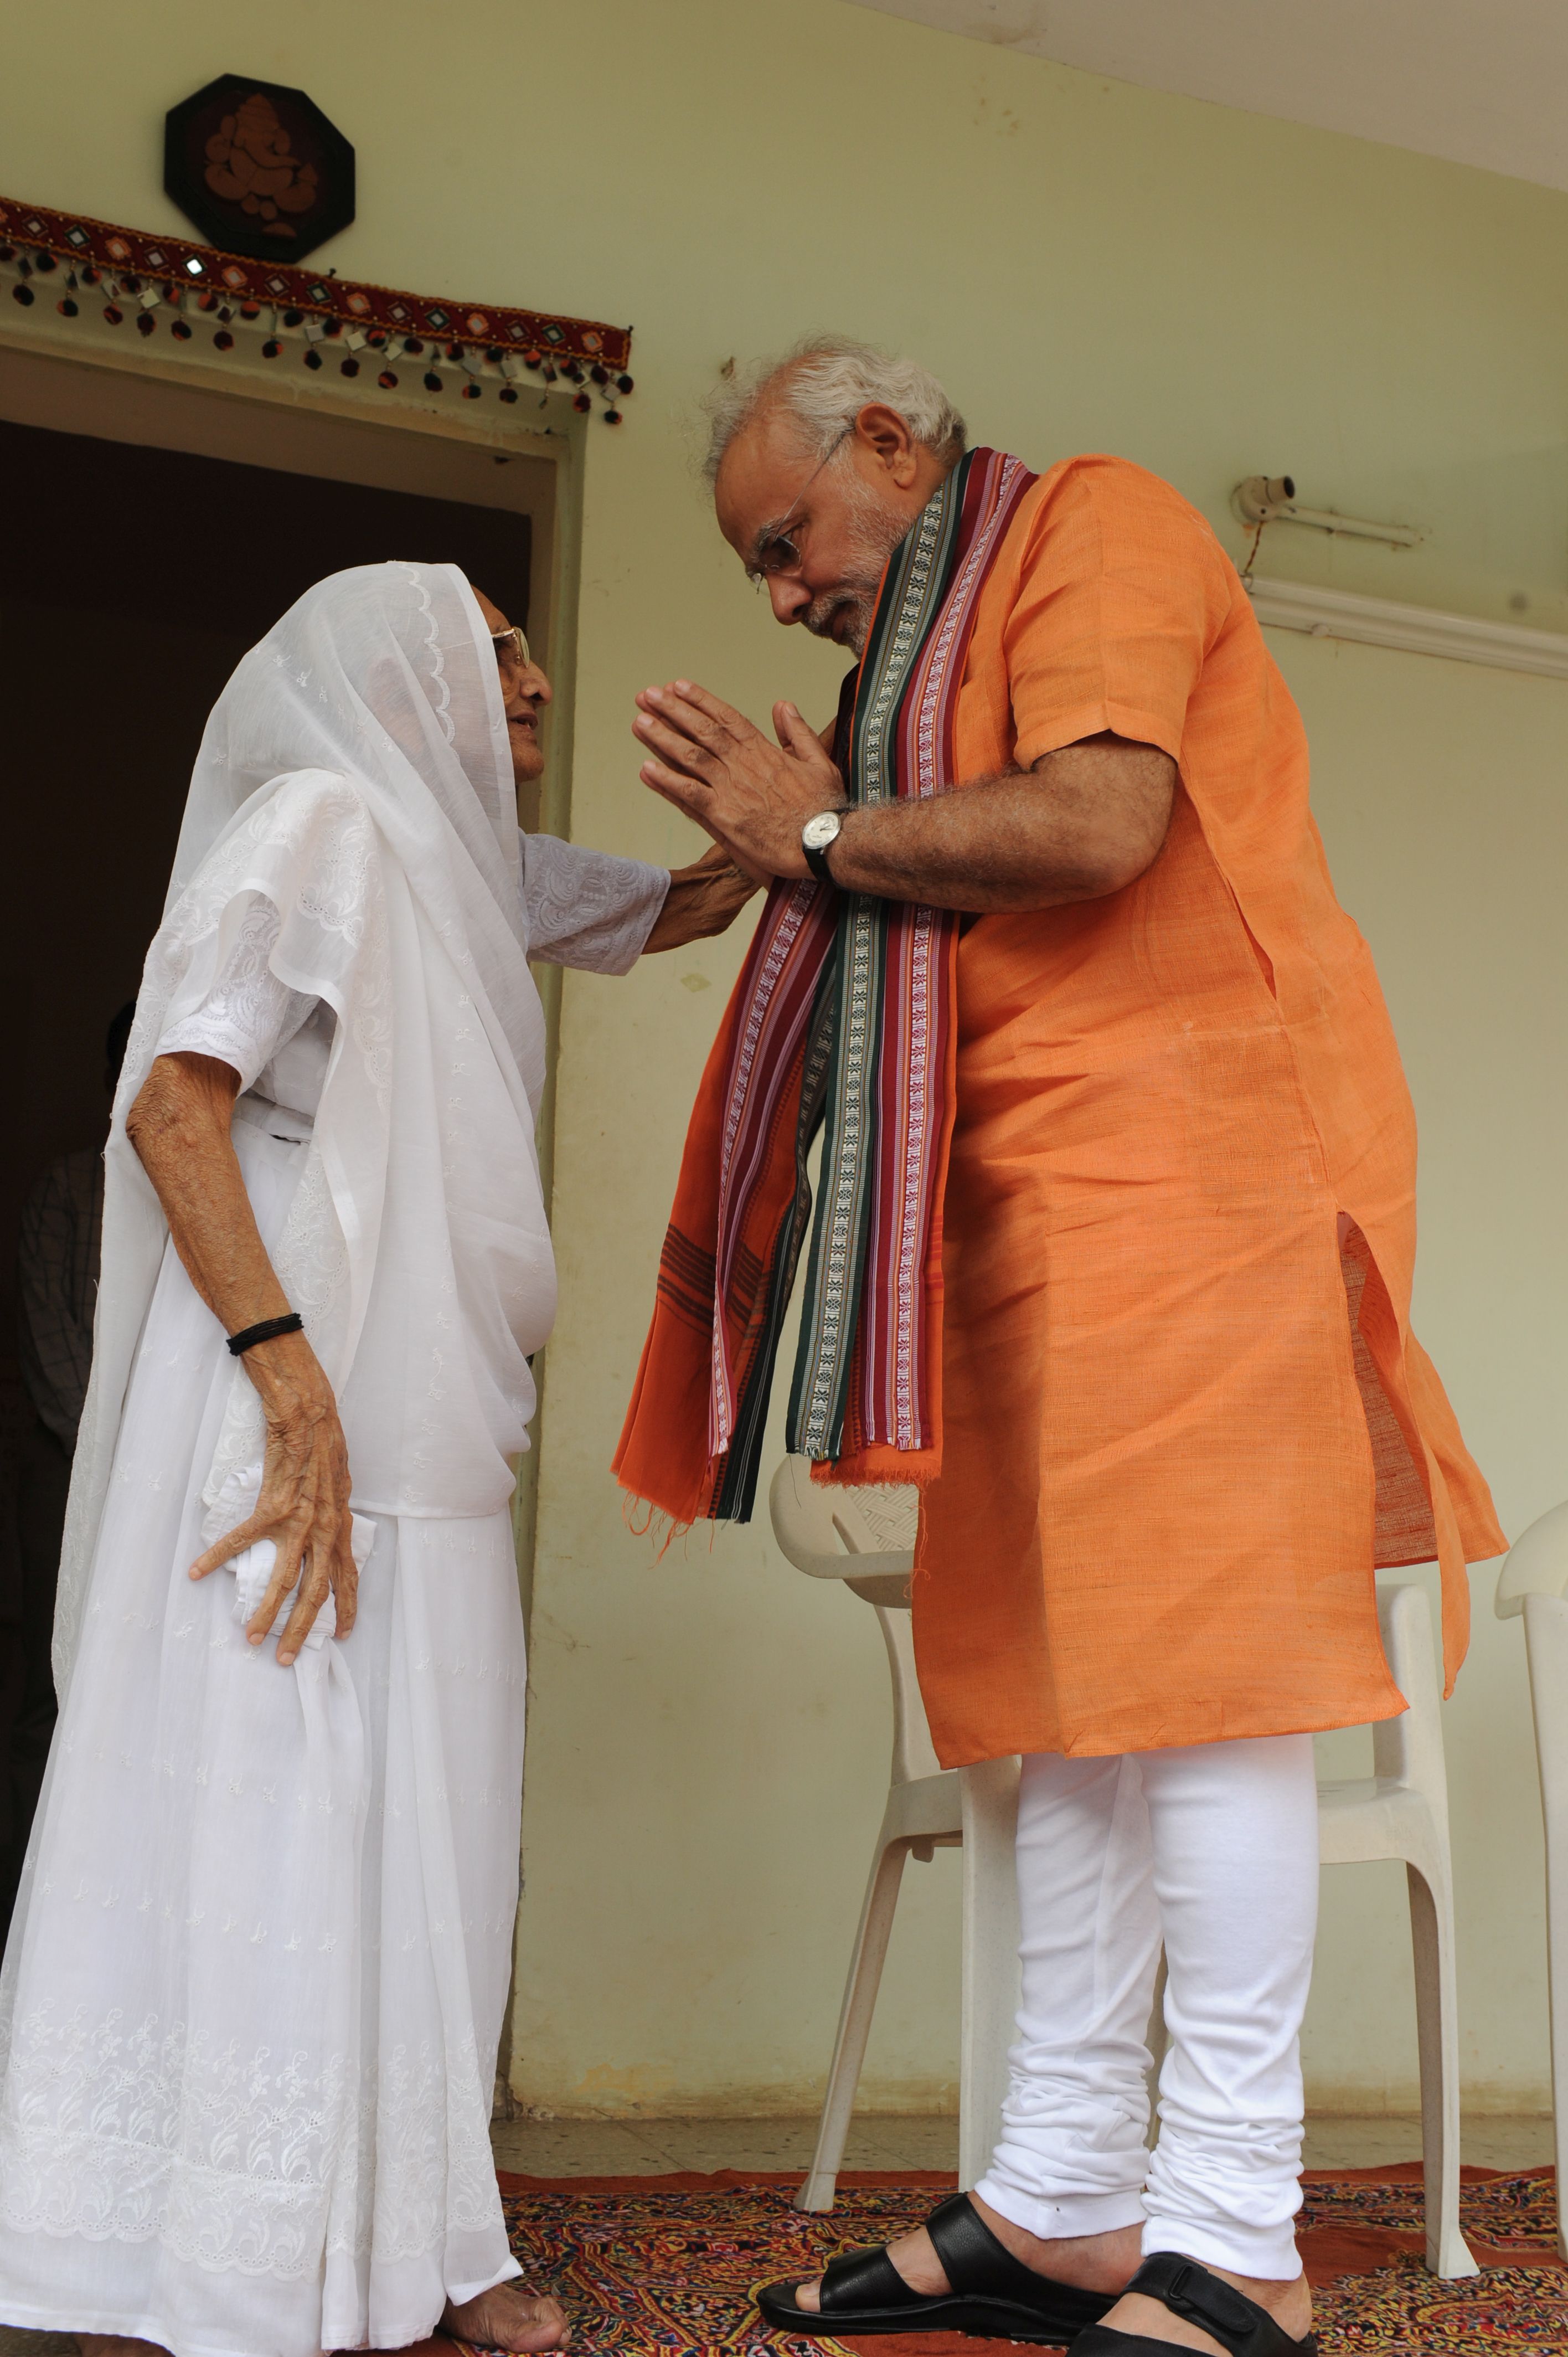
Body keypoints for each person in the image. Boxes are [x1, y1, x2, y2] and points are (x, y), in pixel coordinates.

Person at [614, 339, 1504, 2357]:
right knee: (1062, 1718)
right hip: (1020, 1214)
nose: (780, 594)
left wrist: (825, 835)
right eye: (757, 570)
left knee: (1200, 1699)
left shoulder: (1093, 520)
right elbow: (820, 864)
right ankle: (1064, 2199)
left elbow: (1100, 822)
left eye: (788, 541)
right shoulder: (906, 664)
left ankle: (1235, 2231)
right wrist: (713, 864)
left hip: (1200, 1176)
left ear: (889, 442)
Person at [0, 560, 752, 2357]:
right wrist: (285, 1369)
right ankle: (172, 2244)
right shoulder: (318, 822)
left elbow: (673, 909)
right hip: (284, 1349)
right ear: (389, 669)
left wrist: (791, 821)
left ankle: (434, 2231)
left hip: (416, 1386)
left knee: (439, 1790)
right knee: (265, 1770)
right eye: (499, 651)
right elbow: (173, 1101)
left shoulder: (454, 861)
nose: (542, 679)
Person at [3, 1003, 136, 1941]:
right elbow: (55, 1357)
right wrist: (128, 1465)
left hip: (189, 1497)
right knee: (57, 1691)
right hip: (75, 1471)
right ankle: (33, 1916)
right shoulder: (69, 1191)